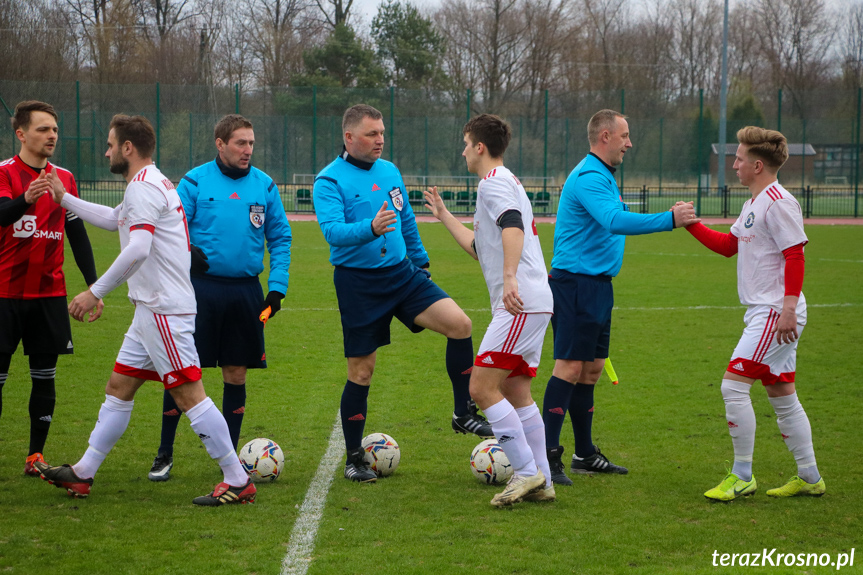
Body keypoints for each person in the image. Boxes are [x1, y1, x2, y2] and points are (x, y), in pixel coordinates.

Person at [34, 114, 256, 506]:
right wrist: (63, 198)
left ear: (127, 148)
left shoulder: (144, 186)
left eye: (109, 143)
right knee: (119, 388)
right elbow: (114, 219)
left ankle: (237, 478)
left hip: (163, 310)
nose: (105, 151)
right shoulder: (150, 182)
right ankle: (84, 472)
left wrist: (94, 291)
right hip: (150, 311)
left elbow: (138, 248)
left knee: (190, 395)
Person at [313, 104, 491, 483]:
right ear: (349, 137)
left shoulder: (389, 171)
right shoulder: (328, 181)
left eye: (382, 133)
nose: (380, 140)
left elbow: (406, 219)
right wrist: (371, 228)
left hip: (403, 276)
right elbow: (332, 232)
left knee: (460, 324)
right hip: (358, 284)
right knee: (362, 371)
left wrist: (421, 261)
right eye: (371, 134)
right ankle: (353, 457)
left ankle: (463, 411)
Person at [542, 109, 699, 485]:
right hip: (576, 284)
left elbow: (614, 217)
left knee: (592, 369)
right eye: (625, 136)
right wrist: (669, 219)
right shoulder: (590, 177)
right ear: (605, 137)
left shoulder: (603, 177)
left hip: (597, 286)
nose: (630, 143)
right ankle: (546, 456)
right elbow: (613, 221)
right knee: (569, 367)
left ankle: (584, 453)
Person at [146, 114, 292, 482]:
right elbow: (170, 228)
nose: (248, 150)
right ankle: (164, 452)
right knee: (181, 373)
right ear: (220, 143)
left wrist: (277, 288)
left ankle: (231, 458)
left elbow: (280, 239)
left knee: (236, 372)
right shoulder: (195, 181)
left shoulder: (265, 186)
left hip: (246, 292)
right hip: (197, 291)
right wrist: (188, 249)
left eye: (252, 143)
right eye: (241, 143)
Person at [683, 126, 825, 501]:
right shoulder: (753, 203)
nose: (734, 165)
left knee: (732, 386)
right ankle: (810, 477)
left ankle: (742, 474)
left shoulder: (778, 201)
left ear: (757, 165)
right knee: (781, 392)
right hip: (766, 311)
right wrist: (691, 225)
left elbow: (795, 254)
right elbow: (730, 245)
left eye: (740, 159)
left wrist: (789, 309)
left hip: (774, 312)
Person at [424, 114, 554, 506]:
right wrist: (445, 216)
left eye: (465, 143)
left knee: (480, 387)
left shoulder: (492, 184)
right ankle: (543, 480)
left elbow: (512, 226)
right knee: (515, 388)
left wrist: (510, 277)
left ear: (479, 146)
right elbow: (482, 247)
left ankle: (527, 473)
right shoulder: (506, 182)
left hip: (519, 302)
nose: (463, 150)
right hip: (533, 300)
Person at [0, 100, 102, 476]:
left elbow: (76, 232)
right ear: (21, 133)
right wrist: (25, 199)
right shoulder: (5, 174)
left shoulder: (66, 179)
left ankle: (34, 456)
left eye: (55, 130)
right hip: (5, 296)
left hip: (49, 296)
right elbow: (0, 216)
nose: (52, 136)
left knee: (45, 376)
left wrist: (95, 285)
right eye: (43, 129)